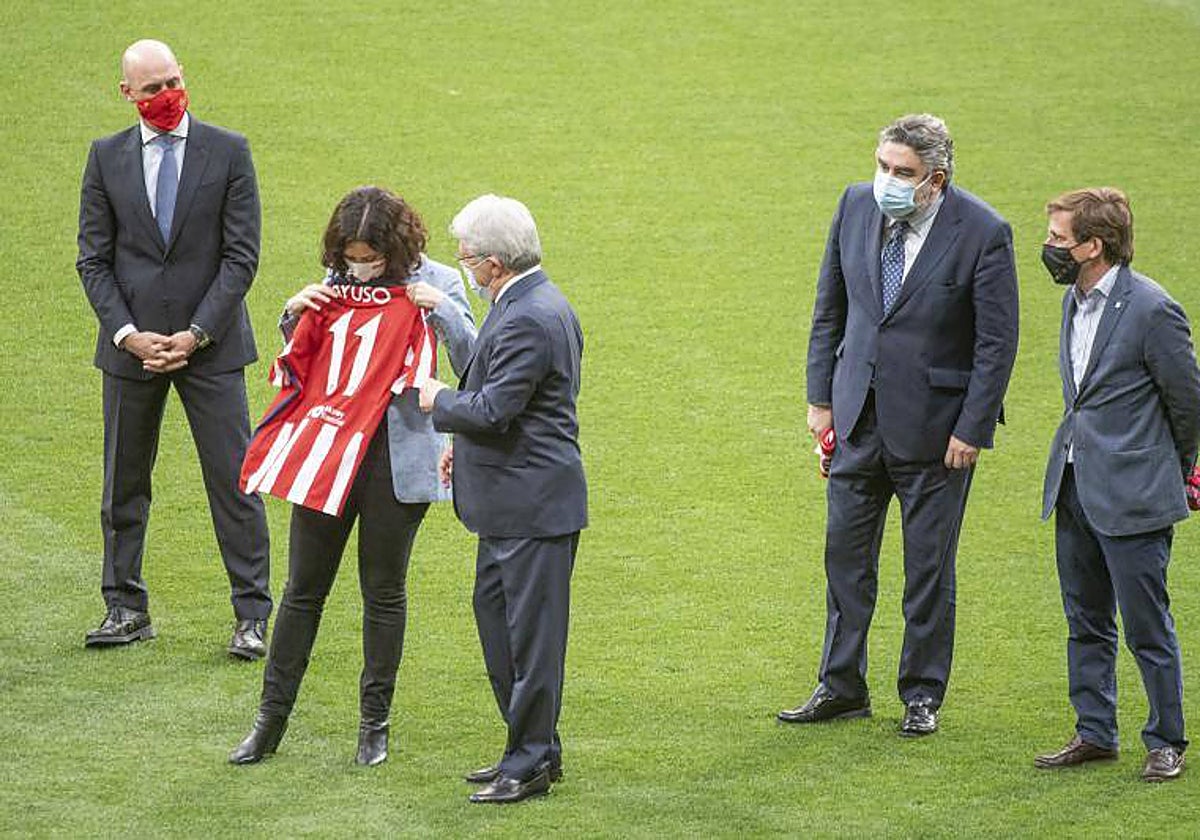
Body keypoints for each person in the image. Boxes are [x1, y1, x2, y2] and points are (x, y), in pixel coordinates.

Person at [780, 114, 1019, 736]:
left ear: (935, 180)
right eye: (883, 166)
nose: (887, 180)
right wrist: (820, 398)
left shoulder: (983, 232)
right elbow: (829, 305)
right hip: (858, 415)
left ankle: (921, 694)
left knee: (928, 570)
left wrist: (973, 428)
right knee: (844, 561)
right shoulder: (855, 205)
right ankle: (840, 685)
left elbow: (997, 343)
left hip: (938, 436)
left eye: (903, 173)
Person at [229, 187, 476, 767]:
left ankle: (374, 725)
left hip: (397, 457)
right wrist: (292, 314)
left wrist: (440, 310)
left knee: (383, 591)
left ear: (397, 246)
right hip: (330, 452)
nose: (358, 267)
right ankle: (268, 722)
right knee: (302, 589)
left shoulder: (439, 280)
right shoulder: (336, 279)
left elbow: (473, 362)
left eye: (369, 258)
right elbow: (310, 362)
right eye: (349, 257)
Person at [76, 39, 272, 658]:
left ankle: (252, 616)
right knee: (123, 483)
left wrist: (197, 333)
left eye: (172, 82)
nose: (166, 96)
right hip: (131, 349)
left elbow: (242, 257)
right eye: (152, 88)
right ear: (127, 94)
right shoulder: (105, 158)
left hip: (209, 349)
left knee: (234, 481)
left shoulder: (229, 150)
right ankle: (124, 607)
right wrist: (130, 335)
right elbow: (94, 259)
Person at [419, 194, 586, 804]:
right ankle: (533, 748)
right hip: (510, 503)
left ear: (492, 260)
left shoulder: (526, 315)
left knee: (531, 644)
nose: (462, 264)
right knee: (503, 630)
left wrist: (438, 400)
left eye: (466, 255)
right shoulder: (523, 303)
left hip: (532, 508)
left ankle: (531, 762)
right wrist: (460, 447)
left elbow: (493, 408)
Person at [1034, 188, 1200, 782]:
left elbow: (1188, 403)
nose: (1049, 248)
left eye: (1058, 239)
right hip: (1075, 485)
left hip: (1134, 494)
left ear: (1093, 246)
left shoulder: (1153, 309)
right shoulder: (1073, 304)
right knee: (1085, 620)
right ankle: (1095, 731)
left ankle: (1165, 740)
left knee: (1147, 626)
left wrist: (1175, 472)